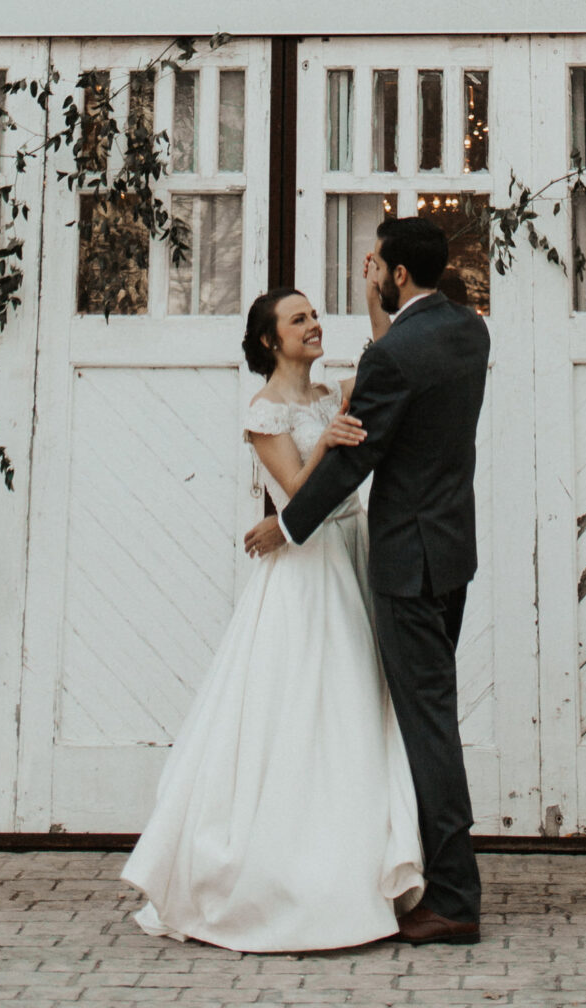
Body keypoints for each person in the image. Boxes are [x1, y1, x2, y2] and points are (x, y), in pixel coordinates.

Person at [121, 285, 424, 952]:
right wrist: (332, 445)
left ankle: (362, 855)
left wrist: (380, 288)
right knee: (308, 702)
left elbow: (382, 348)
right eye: (298, 320)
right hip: (308, 567)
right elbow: (295, 490)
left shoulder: (334, 395)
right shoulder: (264, 411)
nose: (313, 325)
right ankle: (283, 874)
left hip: (353, 547)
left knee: (359, 705)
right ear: (269, 340)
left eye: (314, 315)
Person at [244, 212, 490, 946]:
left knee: (425, 724)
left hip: (405, 564)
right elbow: (401, 356)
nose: (371, 273)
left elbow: (355, 458)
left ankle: (452, 897)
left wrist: (286, 526)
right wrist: (385, 301)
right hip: (451, 551)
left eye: (377, 265)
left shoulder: (391, 360)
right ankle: (424, 870)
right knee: (427, 714)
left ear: (397, 273)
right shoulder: (469, 331)